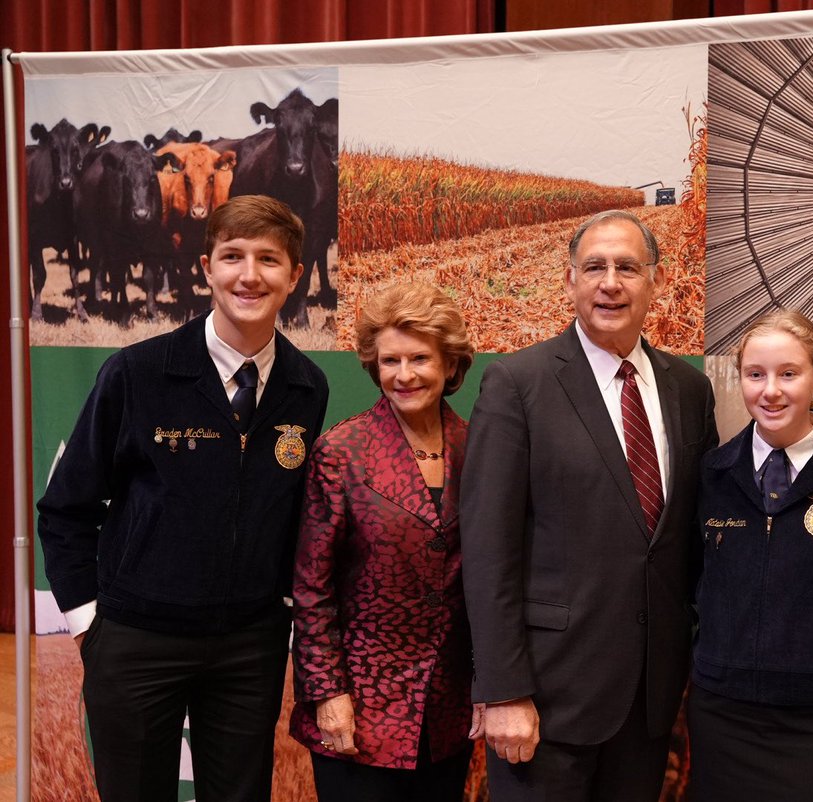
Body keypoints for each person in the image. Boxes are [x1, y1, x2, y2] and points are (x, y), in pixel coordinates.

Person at [37, 194, 330, 802]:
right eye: (233, 257)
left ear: (295, 275)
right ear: (206, 268)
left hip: (250, 646)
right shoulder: (136, 374)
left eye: (269, 260)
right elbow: (67, 509)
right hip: (137, 639)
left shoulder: (307, 386)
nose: (250, 275)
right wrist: (91, 624)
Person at [460, 209, 718, 802]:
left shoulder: (688, 389)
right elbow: (488, 548)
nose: (610, 283)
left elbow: (690, 533)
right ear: (570, 281)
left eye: (627, 267)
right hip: (545, 700)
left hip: (648, 703)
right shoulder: (517, 384)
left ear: (656, 281)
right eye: (594, 267)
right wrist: (502, 690)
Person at [289, 282, 481, 801]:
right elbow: (311, 590)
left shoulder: (479, 447)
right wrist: (327, 693)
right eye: (389, 360)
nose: (404, 375)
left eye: (420, 358)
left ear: (449, 362)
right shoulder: (341, 452)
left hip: (447, 710)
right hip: (361, 709)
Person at [687, 309, 813, 802]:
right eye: (755, 375)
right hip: (723, 711)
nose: (770, 391)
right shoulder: (712, 473)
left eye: (788, 374)